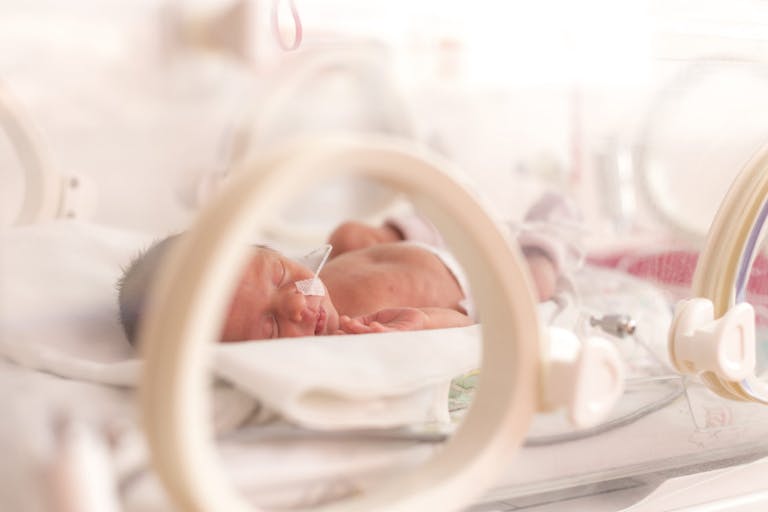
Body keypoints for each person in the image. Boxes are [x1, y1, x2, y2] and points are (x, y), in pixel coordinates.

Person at [117, 194, 577, 344]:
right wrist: (422, 323)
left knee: (353, 235)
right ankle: (550, 236)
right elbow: (464, 327)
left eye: (278, 275)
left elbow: (320, 268)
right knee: (533, 283)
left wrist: (370, 242)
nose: (300, 302)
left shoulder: (312, 283)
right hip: (482, 282)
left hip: (431, 242)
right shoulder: (354, 333)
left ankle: (501, 219)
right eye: (272, 326)